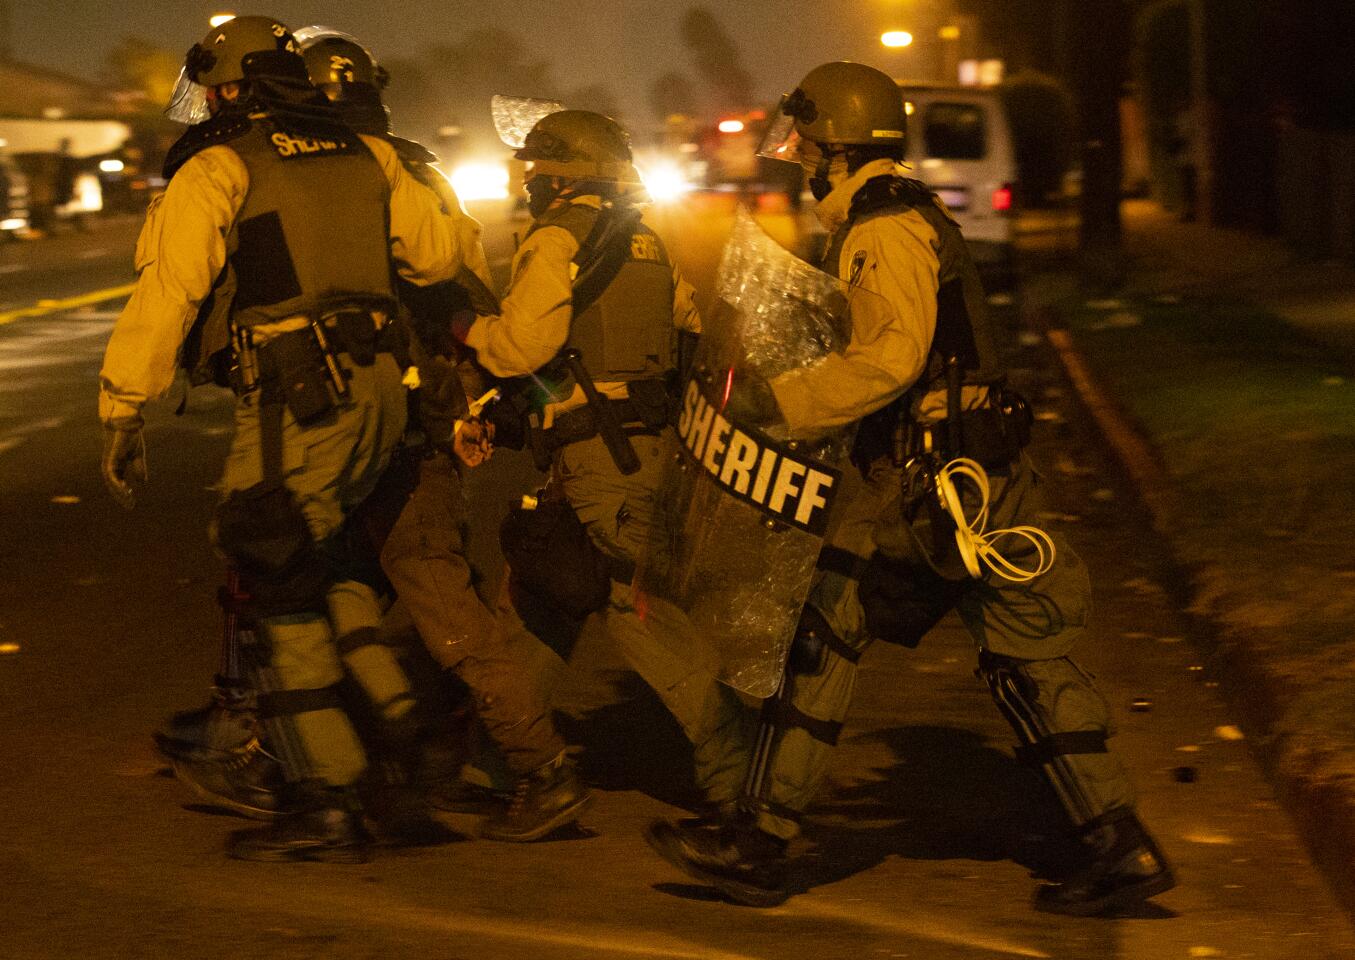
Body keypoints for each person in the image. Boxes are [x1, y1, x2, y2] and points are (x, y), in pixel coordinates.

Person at [645, 61, 1175, 917]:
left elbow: (887, 360)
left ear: (835, 144)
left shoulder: (881, 229)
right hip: (968, 475)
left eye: (808, 142)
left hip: (925, 486)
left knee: (822, 641)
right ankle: (1118, 844)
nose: (801, 157)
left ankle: (756, 843)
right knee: (1023, 659)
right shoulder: (891, 217)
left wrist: (781, 405)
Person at [99, 15, 465, 862]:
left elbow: (171, 291)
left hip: (296, 397)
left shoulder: (222, 165)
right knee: (322, 558)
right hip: (378, 393)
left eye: (216, 86)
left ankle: (325, 795)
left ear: (231, 86)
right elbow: (438, 255)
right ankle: (409, 725)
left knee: (273, 574)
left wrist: (124, 404)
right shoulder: (368, 154)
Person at [295, 26, 590, 842]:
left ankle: (538, 765)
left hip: (381, 425)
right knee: (328, 591)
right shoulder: (414, 170)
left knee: (435, 598)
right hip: (396, 417)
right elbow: (466, 282)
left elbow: (443, 293)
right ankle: (336, 752)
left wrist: (460, 407)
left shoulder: (349, 177)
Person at [452, 104, 750, 833]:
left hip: (598, 462)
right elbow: (686, 330)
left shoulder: (556, 240)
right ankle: (500, 765)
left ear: (559, 175)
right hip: (633, 447)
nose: (527, 184)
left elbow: (522, 346)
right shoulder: (646, 241)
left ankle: (743, 782)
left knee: (640, 616)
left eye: (534, 170)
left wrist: (467, 330)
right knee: (538, 602)